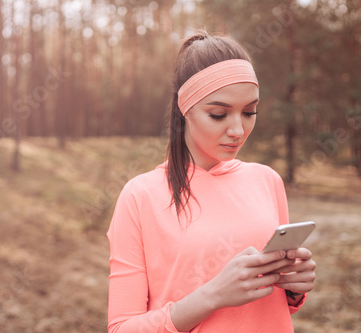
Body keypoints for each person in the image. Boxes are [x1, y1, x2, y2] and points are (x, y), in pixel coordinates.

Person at [106, 31, 316, 333]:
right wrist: (213, 296)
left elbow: (270, 307)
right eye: (218, 114)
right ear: (185, 109)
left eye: (249, 112)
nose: (237, 130)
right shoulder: (140, 196)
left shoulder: (267, 181)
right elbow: (121, 328)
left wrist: (294, 288)